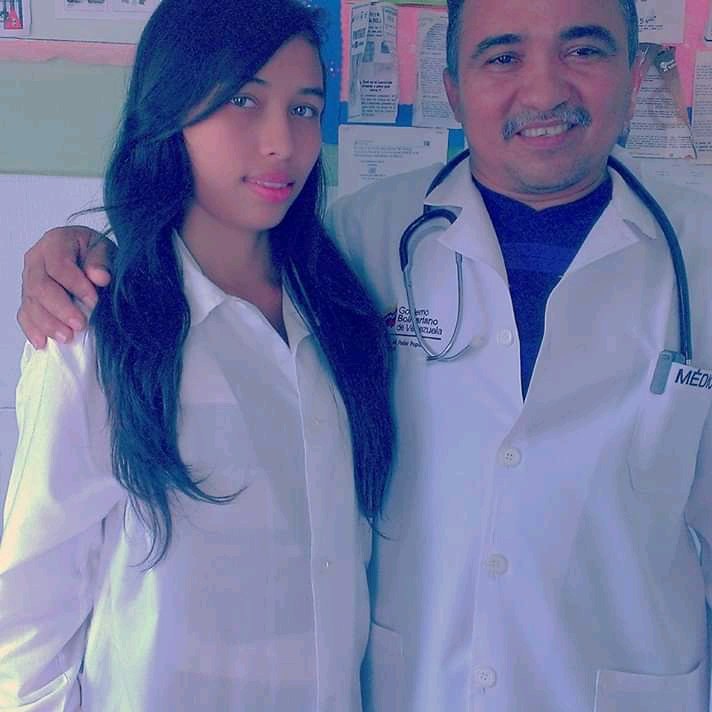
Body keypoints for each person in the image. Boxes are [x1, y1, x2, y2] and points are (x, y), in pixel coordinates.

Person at [14, 0, 712, 709]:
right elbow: (30, 609)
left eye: (583, 50)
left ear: (635, 75)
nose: (543, 90)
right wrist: (79, 253)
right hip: (416, 686)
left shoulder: (702, 260)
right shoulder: (361, 241)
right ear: (452, 88)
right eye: (502, 56)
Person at [1, 0, 395, 710]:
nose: (281, 143)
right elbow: (27, 620)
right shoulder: (97, 327)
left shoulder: (341, 313)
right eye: (244, 100)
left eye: (304, 109)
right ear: (171, 109)